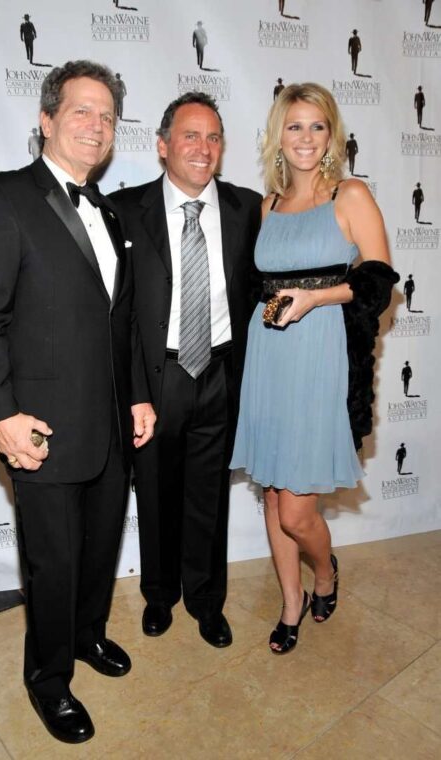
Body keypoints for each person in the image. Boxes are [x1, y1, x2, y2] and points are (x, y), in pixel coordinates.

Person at [0, 59, 156, 744]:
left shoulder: (108, 209)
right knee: (53, 561)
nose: (96, 125)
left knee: (99, 551)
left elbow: (120, 321)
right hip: (39, 426)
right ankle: (48, 680)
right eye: (81, 111)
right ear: (46, 119)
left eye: (106, 116)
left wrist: (136, 397)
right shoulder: (3, 197)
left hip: (108, 427)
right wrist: (0, 416)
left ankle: (86, 636)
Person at [231, 83, 398, 655]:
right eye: (294, 126)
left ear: (332, 134)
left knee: (299, 510)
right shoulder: (267, 205)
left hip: (321, 354)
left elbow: (377, 282)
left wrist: (315, 298)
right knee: (275, 497)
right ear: (279, 134)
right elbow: (258, 286)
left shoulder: (349, 194)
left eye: (316, 126)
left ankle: (324, 572)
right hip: (269, 357)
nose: (305, 137)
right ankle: (290, 601)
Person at [110, 92, 262, 648]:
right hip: (159, 378)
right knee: (153, 493)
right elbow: (119, 315)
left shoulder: (249, 209)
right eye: (191, 136)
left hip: (221, 373)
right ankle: (158, 595)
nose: (203, 148)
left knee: (209, 496)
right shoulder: (125, 209)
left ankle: (206, 600)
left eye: (214, 137)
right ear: (162, 145)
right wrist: (132, 391)